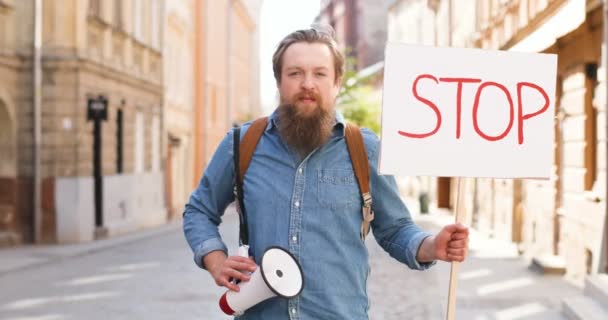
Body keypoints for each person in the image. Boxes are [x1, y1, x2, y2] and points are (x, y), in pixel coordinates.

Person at [183, 25, 469, 319]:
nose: (308, 83)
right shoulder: (241, 144)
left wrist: (433, 246)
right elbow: (198, 211)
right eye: (295, 73)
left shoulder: (365, 148)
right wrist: (215, 259)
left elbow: (395, 229)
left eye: (319, 73)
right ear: (279, 81)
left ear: (336, 83)